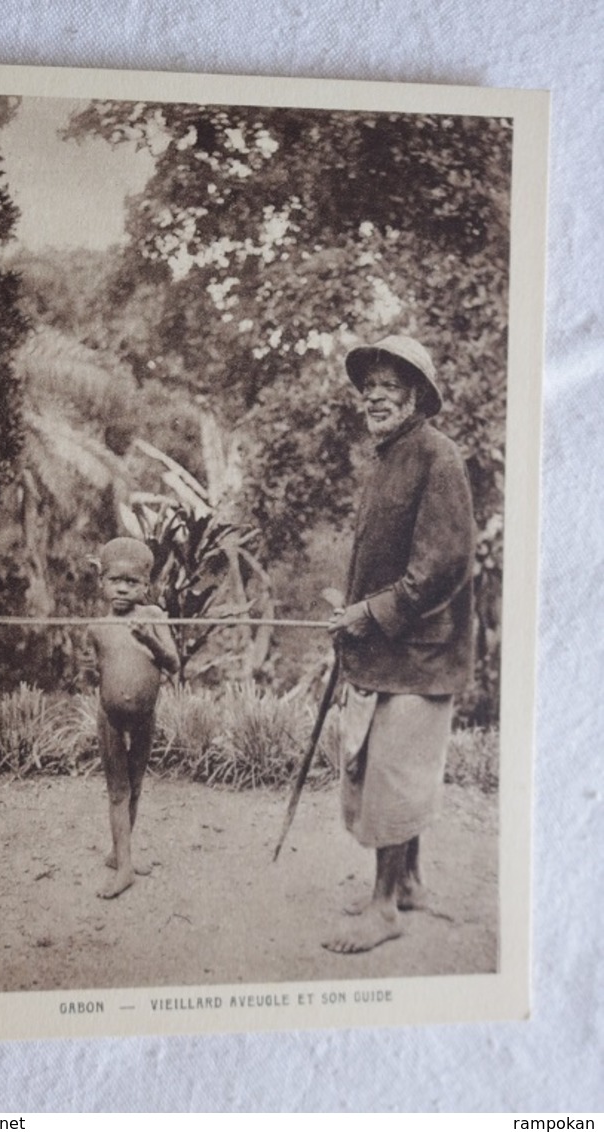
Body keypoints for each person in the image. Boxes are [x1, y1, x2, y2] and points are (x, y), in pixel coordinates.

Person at [323, 335, 476, 954]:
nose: (376, 396)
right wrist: (351, 607)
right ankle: (407, 881)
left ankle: (384, 908)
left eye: (390, 387)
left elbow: (442, 565)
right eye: (369, 388)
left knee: (391, 776)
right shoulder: (390, 457)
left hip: (421, 655)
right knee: (391, 769)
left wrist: (371, 613)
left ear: (416, 396)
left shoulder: (438, 456)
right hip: (390, 652)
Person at [88, 537, 179, 899]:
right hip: (110, 717)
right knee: (118, 792)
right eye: (115, 580)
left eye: (132, 582)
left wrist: (151, 642)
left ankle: (118, 854)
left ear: (146, 587)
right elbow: (99, 669)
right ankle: (124, 865)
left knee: (136, 787)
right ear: (102, 583)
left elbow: (173, 664)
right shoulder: (97, 628)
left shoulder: (153, 617)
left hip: (145, 716)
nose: (123, 588)